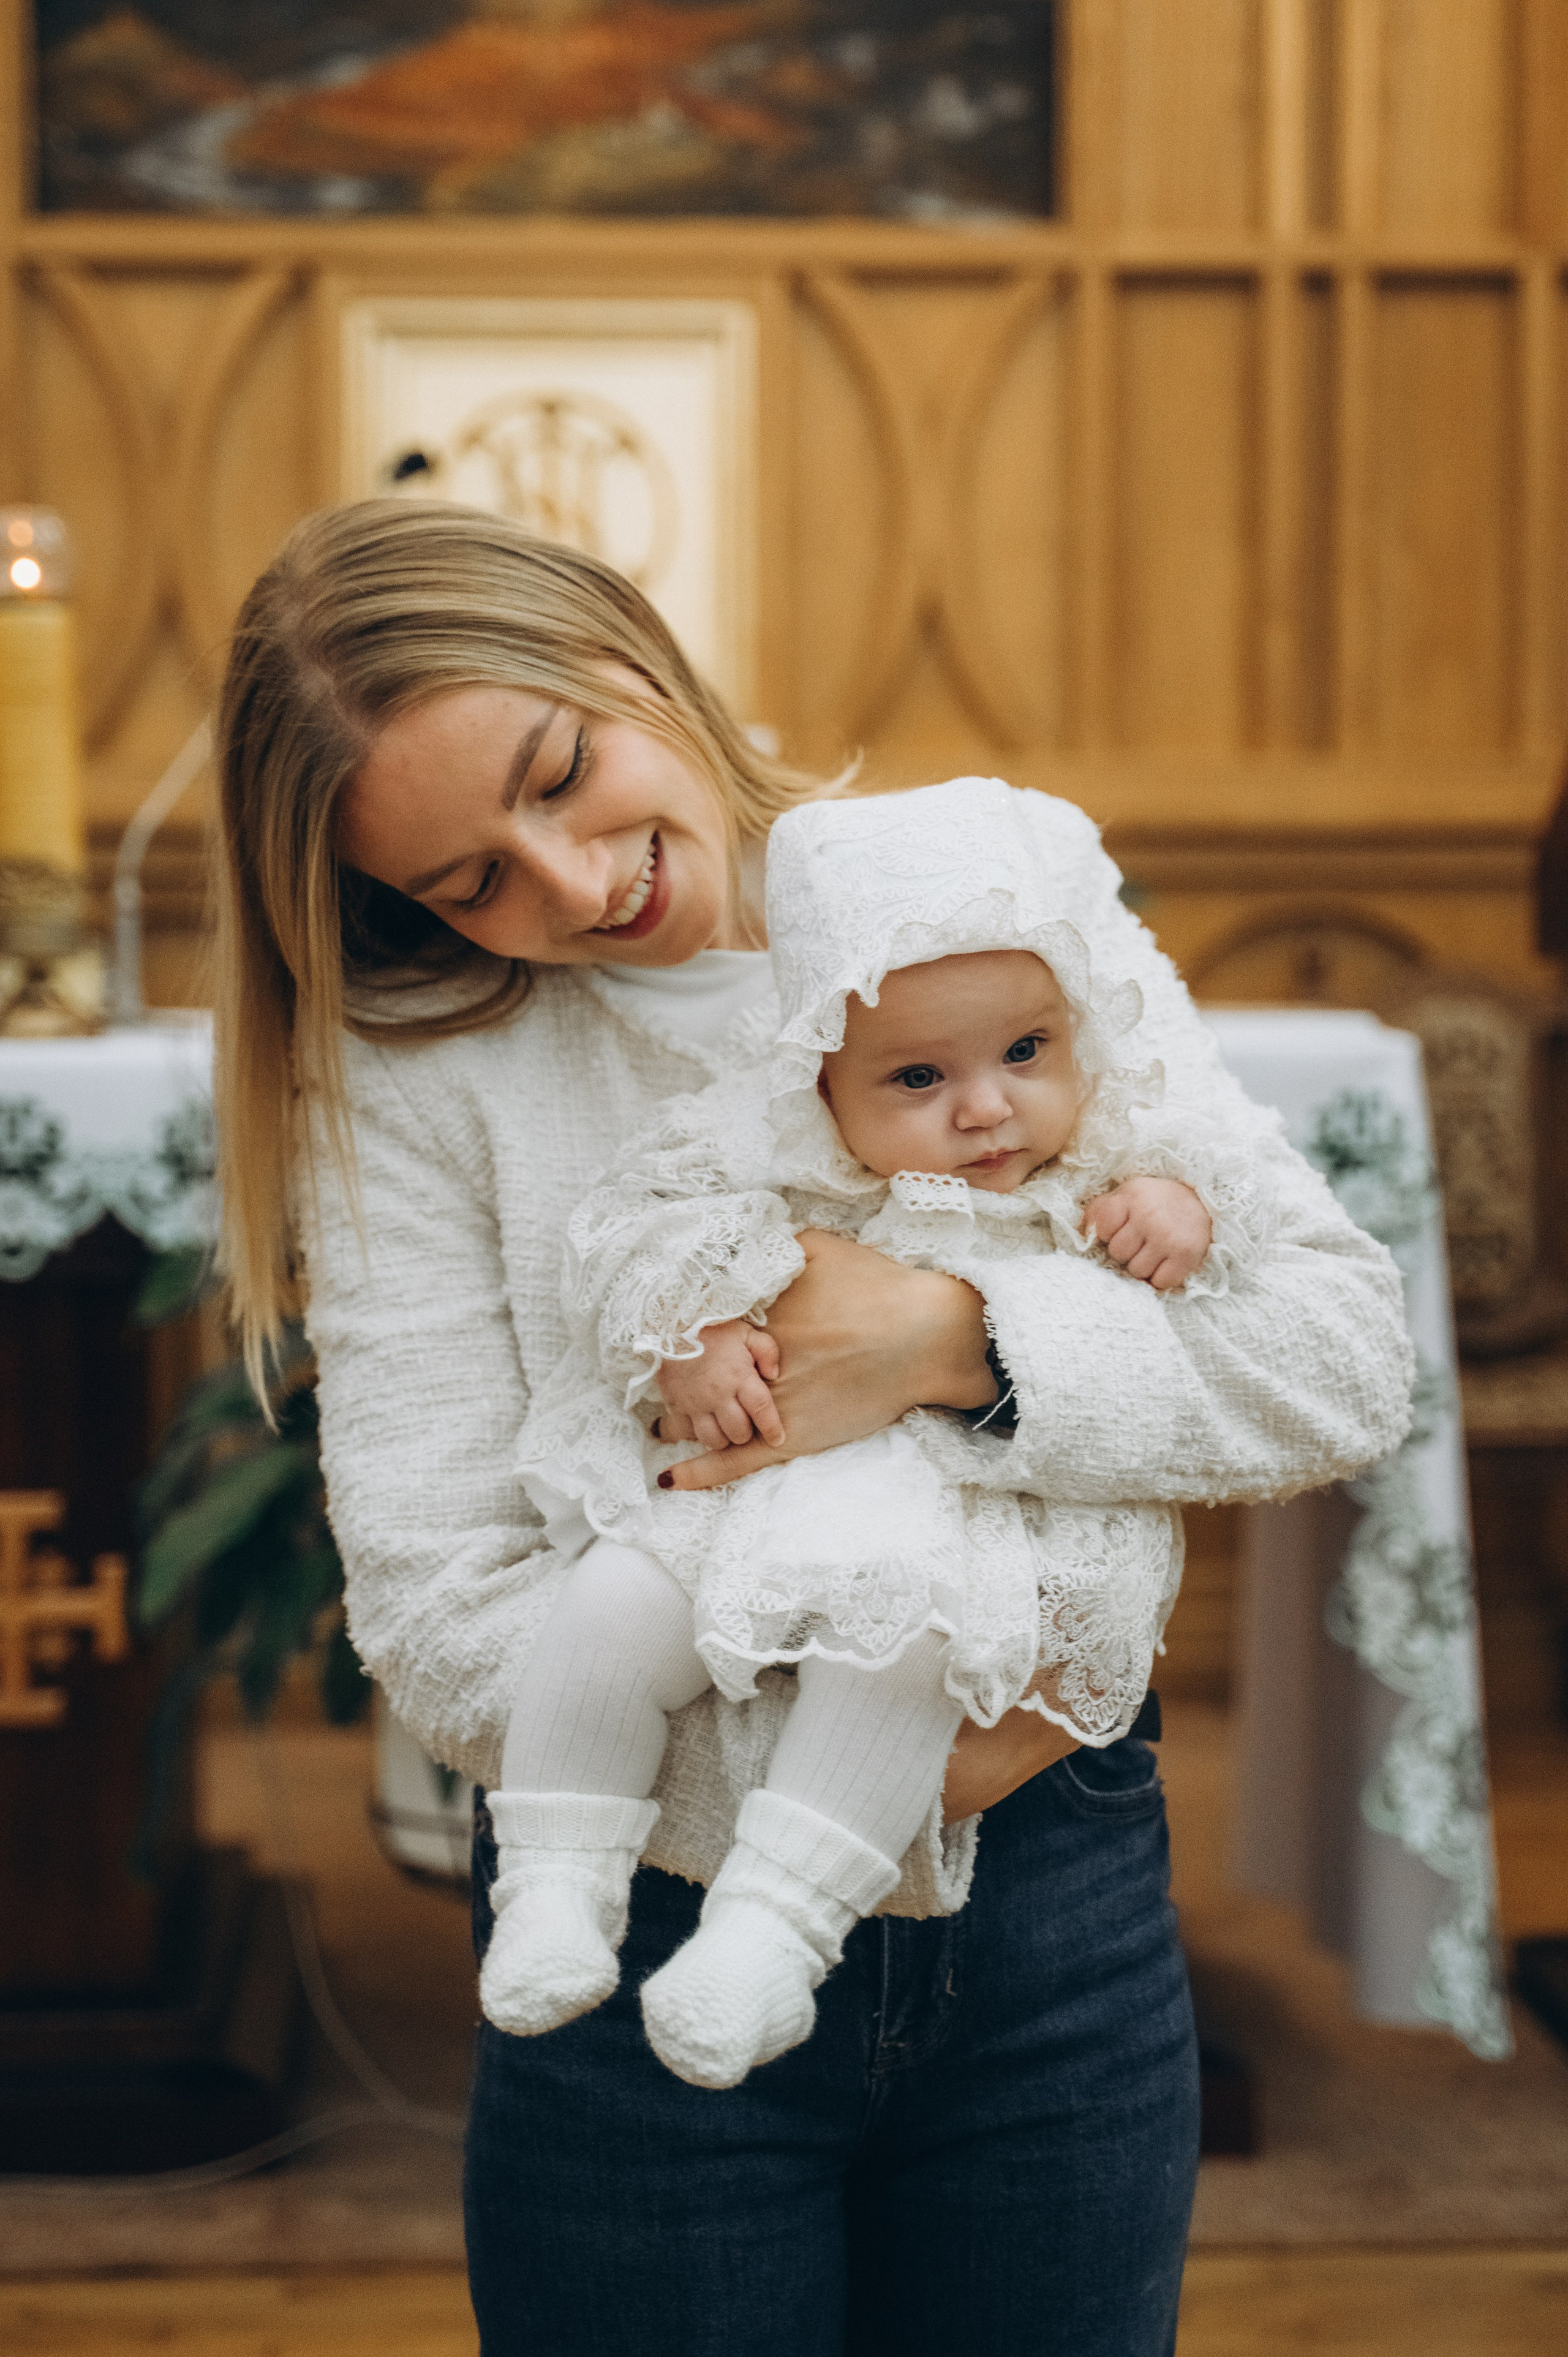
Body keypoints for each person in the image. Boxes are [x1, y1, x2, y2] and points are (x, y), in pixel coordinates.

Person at [213, 498, 1414, 2357]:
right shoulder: (421, 1066)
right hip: (636, 1925)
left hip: (1052, 1895)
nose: (571, 885)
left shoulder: (984, 903)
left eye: (561, 775)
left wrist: (956, 1344)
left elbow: (1337, 1356)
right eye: (466, 884)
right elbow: (441, 1606)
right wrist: (865, 1759)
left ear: (626, 645)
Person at [494, 778, 1270, 2091]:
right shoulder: (772, 1153)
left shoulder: (1103, 1159)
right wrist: (686, 1334)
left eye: (1024, 1051)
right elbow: (630, 1237)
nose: (987, 1107)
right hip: (740, 1493)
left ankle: (771, 1935)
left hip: (946, 1528)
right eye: (919, 1076)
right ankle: (553, 1884)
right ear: (820, 1079)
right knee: (612, 1607)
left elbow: (1238, 1254)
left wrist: (1184, 1214)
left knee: (899, 1666)